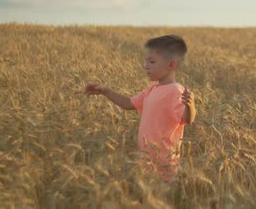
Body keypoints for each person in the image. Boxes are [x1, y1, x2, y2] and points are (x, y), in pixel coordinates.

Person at [84, 34, 197, 181]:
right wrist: (105, 91)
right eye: (146, 61)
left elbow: (187, 119)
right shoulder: (152, 90)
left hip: (164, 165)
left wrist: (190, 106)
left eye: (152, 61)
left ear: (171, 65)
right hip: (145, 162)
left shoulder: (176, 90)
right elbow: (129, 103)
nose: (146, 65)